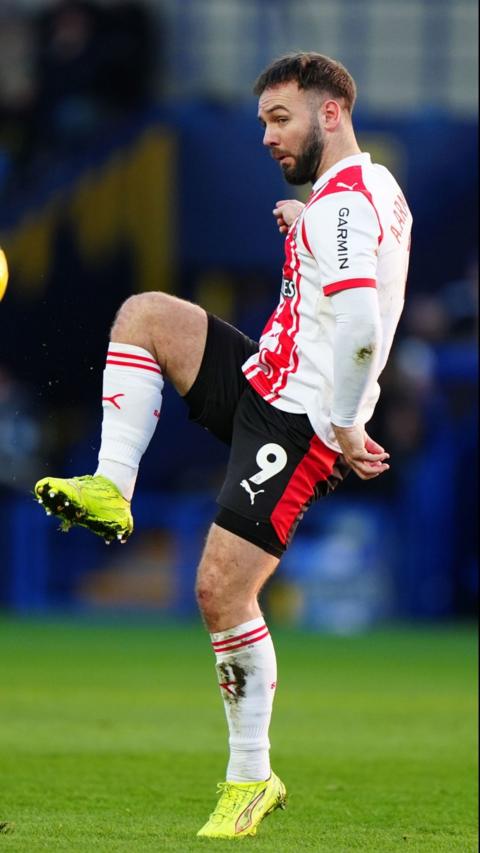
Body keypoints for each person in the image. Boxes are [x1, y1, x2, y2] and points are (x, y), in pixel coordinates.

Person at [34, 52, 412, 838]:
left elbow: (363, 329)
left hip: (300, 423)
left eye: (281, 119)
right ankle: (112, 484)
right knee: (145, 315)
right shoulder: (351, 198)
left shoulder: (345, 205)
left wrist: (345, 421)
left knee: (220, 591)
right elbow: (356, 274)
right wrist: (305, 224)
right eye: (263, 122)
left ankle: (252, 775)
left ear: (331, 112)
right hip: (262, 381)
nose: (268, 137)